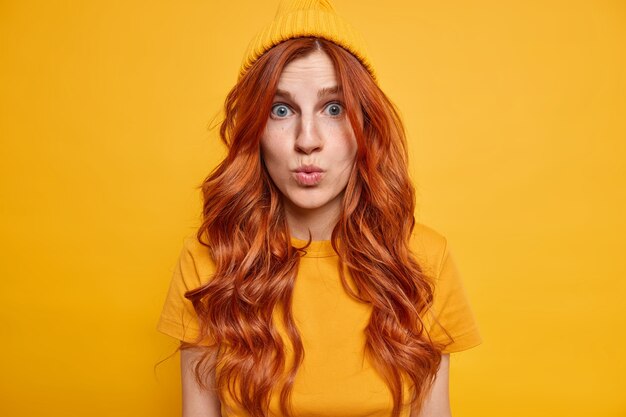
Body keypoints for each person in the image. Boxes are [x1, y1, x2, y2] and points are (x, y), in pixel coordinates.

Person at [157, 1, 482, 416]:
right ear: (253, 130)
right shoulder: (209, 263)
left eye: (334, 108)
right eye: (281, 109)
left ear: (365, 123)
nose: (307, 140)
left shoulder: (422, 261)